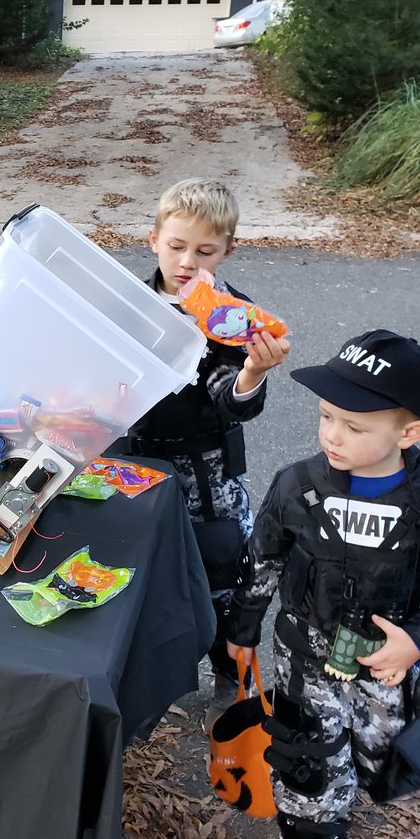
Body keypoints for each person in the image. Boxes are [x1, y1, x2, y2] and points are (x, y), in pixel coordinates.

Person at [225, 330, 420, 839]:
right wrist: (242, 628)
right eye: (326, 416)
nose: (332, 436)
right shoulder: (296, 486)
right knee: (309, 779)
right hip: (304, 661)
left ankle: (364, 776)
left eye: (354, 426)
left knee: (384, 766)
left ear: (409, 432)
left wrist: (417, 642)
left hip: (381, 671)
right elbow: (262, 561)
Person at [123, 178, 290, 731]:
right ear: (153, 239)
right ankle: (154, 672)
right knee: (144, 571)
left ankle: (230, 673)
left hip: (206, 467)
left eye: (205, 250)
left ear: (228, 250)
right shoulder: (132, 301)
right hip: (137, 460)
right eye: (176, 246)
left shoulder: (231, 316)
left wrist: (251, 371)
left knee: (222, 571)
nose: (188, 261)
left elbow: (230, 397)